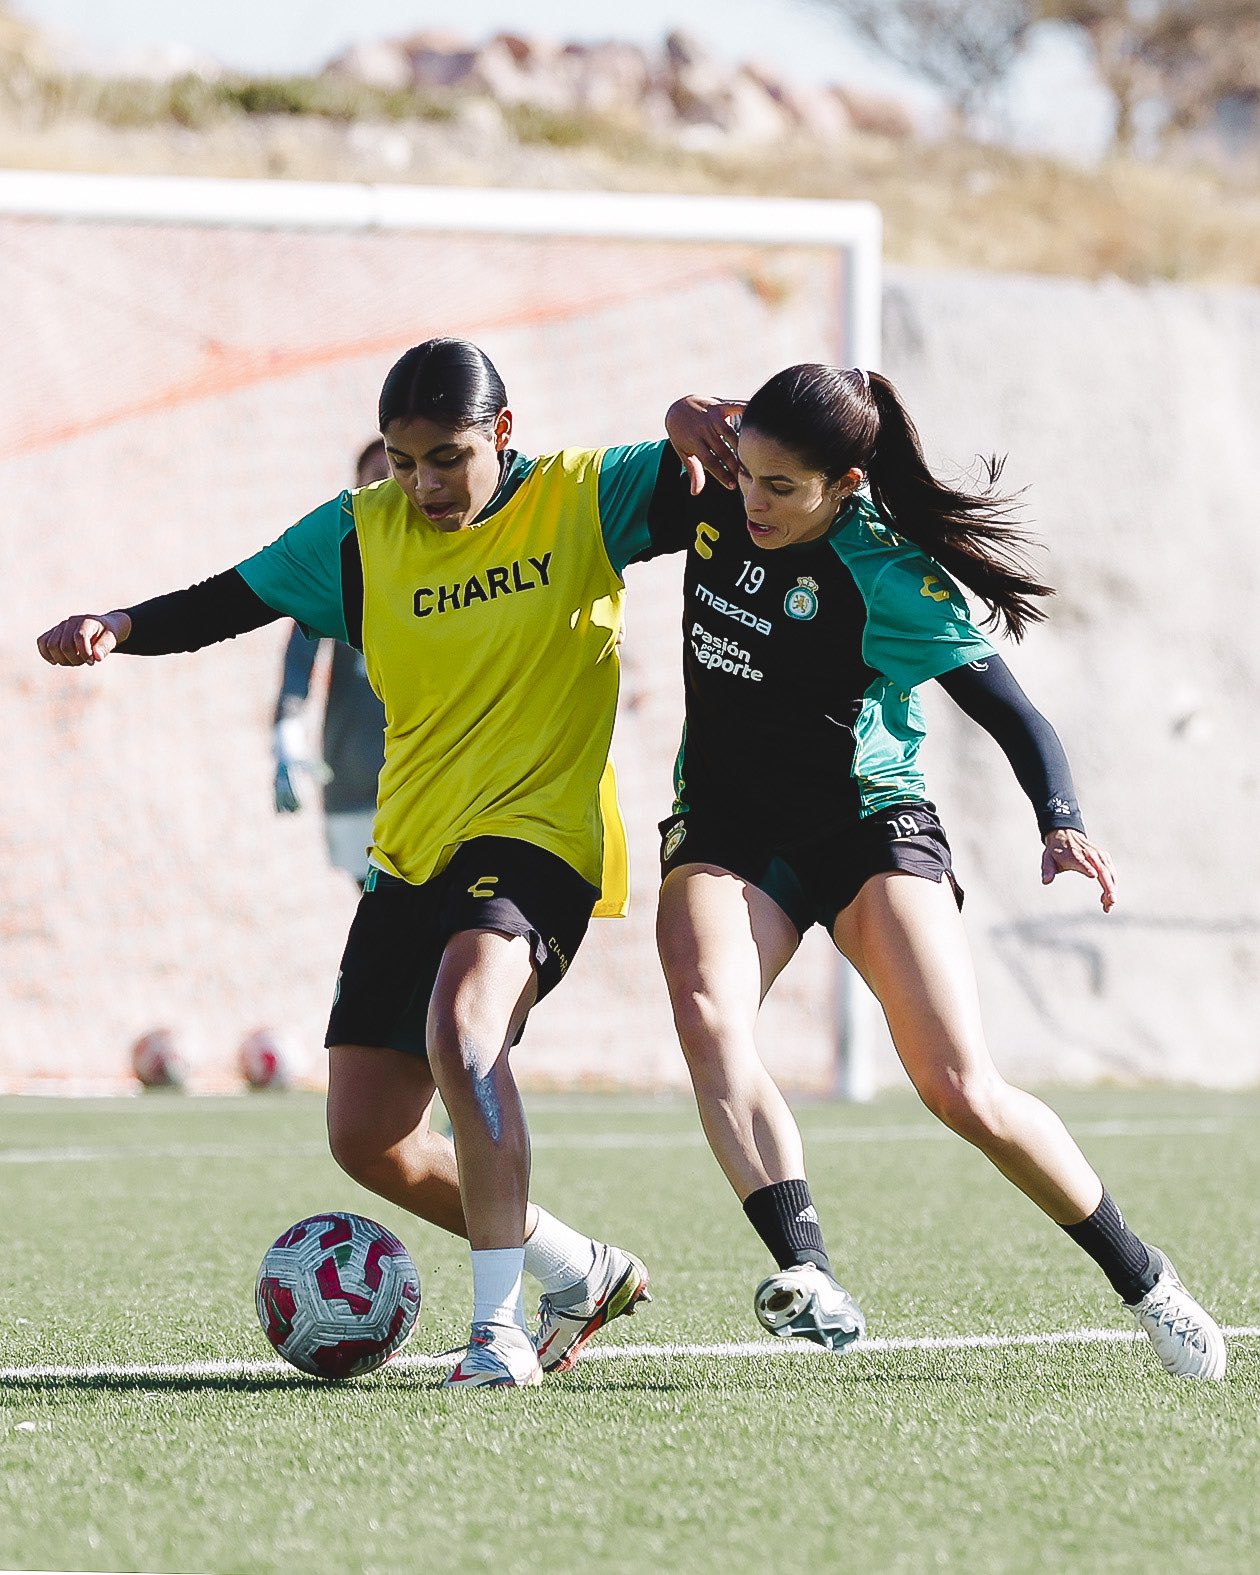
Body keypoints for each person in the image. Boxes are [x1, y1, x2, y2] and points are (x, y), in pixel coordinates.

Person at [36, 337, 718, 1390]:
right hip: (409, 854)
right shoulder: (362, 535)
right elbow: (232, 599)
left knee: (465, 1028)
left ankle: (497, 1336)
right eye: (402, 461)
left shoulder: (585, 497)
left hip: (540, 842)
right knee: (367, 1138)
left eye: (445, 457)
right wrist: (120, 624)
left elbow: (739, 484)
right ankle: (579, 1271)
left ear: (501, 432)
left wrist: (690, 419)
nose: (423, 484)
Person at [641, 363, 1226, 1381]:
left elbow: (1016, 715)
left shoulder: (887, 577)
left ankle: (1146, 1281)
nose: (756, 502)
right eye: (750, 478)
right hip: (729, 826)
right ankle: (809, 1274)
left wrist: (1061, 821)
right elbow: (685, 422)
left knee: (960, 1089)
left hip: (865, 825)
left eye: (786, 488)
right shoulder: (719, 481)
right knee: (709, 1018)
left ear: (847, 483)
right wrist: (684, 413)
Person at [272, 439, 389, 890]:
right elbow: (299, 664)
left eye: (394, 473)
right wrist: (287, 742)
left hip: (433, 778)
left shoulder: (447, 561)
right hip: (357, 778)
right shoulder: (335, 573)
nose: (385, 486)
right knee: (383, 921)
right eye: (373, 477)